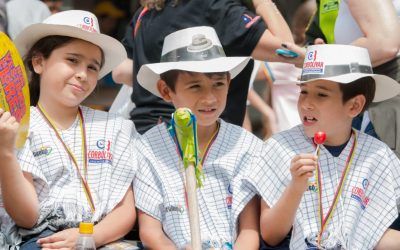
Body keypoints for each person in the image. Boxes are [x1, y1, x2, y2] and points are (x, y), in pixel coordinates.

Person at [0, 10, 136, 249]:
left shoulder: (117, 127)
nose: (83, 74)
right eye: (72, 60)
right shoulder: (18, 126)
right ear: (39, 62)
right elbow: (27, 217)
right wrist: (6, 152)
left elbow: (125, 210)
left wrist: (91, 237)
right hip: (44, 240)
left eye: (93, 67)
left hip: (105, 238)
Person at [245, 44, 400, 249]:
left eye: (321, 95)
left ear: (354, 105)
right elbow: (270, 234)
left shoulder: (377, 156)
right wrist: (296, 187)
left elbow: (372, 236)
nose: (306, 103)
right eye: (303, 91)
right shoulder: (279, 147)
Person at [133, 26, 262, 249]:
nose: (210, 98)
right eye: (195, 86)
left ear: (229, 83)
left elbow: (249, 231)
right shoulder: (147, 148)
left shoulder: (247, 146)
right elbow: (150, 231)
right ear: (165, 90)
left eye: (218, 84)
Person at [112, 0, 299, 134]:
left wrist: (170, 81)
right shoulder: (215, 7)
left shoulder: (146, 12)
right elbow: (287, 51)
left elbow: (120, 72)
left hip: (146, 133)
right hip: (202, 140)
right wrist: (263, 3)